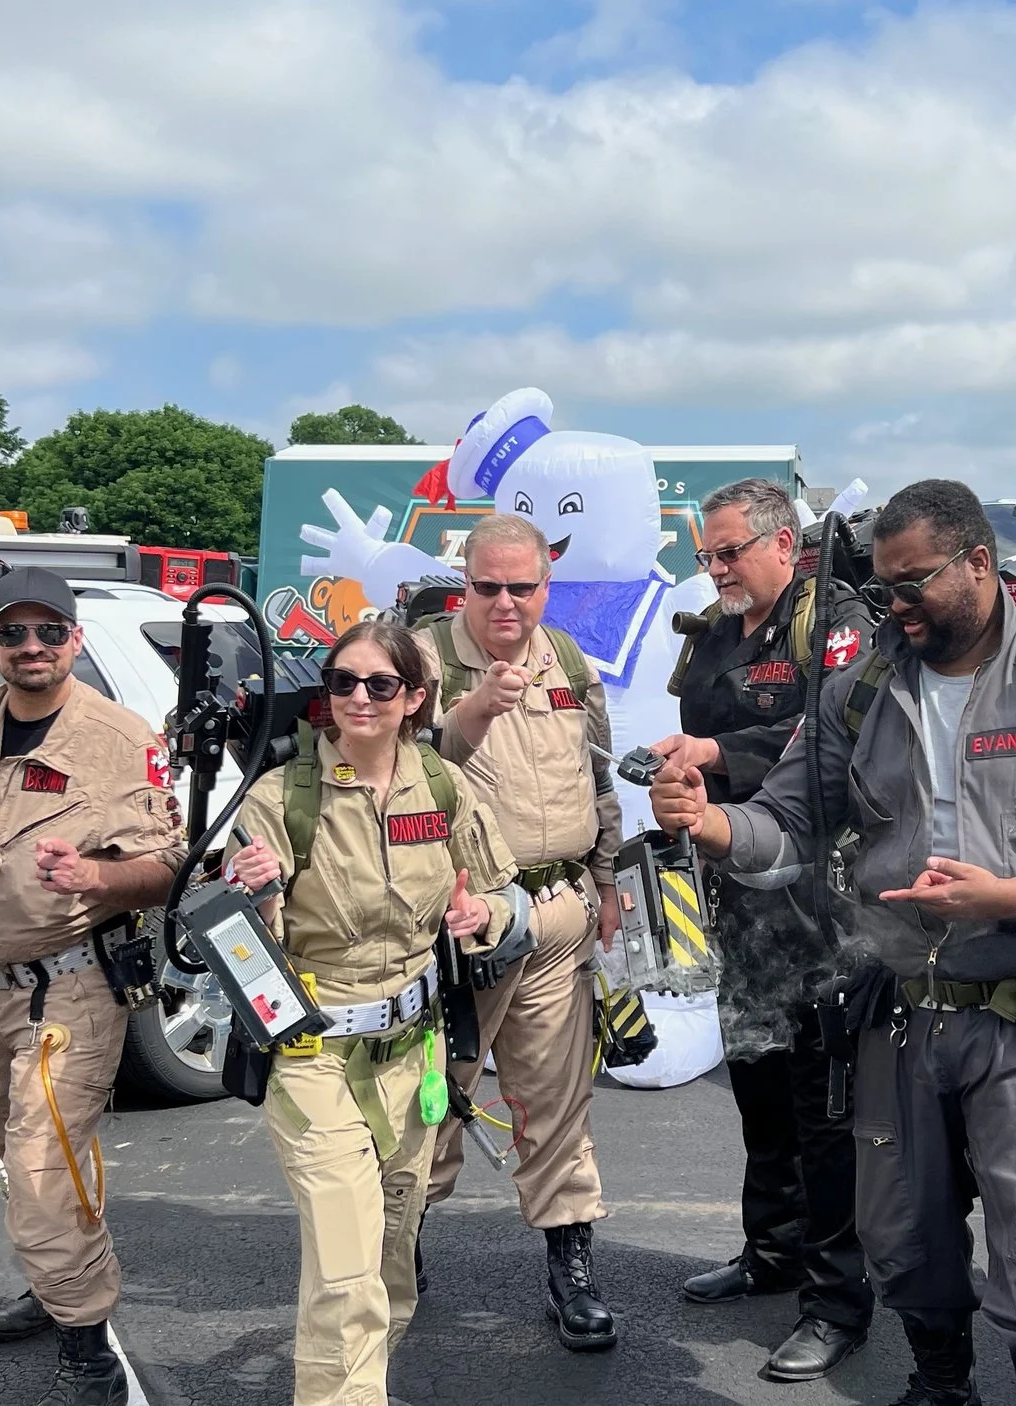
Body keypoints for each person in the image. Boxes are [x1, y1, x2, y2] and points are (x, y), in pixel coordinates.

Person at [652, 479, 1016, 1406]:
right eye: (884, 587)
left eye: (913, 585)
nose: (891, 607)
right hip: (899, 1016)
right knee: (905, 1241)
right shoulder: (863, 691)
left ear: (979, 565)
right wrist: (710, 826)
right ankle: (940, 1386)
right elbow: (788, 826)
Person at [0, 566, 187, 1406]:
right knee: (16, 1150)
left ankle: (89, 1342)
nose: (32, 647)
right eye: (14, 632)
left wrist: (95, 879)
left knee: (38, 1163)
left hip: (69, 990)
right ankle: (52, 1272)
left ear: (76, 640)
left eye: (48, 631)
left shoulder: (117, 736)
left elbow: (169, 867)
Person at [227, 618, 527, 1406]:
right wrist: (254, 895)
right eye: (342, 682)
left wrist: (483, 918)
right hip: (314, 1055)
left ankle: (366, 1377)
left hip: (413, 1053)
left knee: (392, 1249)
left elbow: (503, 892)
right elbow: (241, 950)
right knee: (345, 1265)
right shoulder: (279, 798)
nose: (359, 698)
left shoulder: (441, 785)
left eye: (380, 684)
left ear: (415, 699)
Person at [653, 476, 878, 1383]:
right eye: (706, 555)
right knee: (757, 1079)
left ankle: (835, 1299)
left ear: (784, 543)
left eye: (730, 551)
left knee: (828, 1106)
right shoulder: (714, 631)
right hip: (741, 888)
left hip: (825, 897)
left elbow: (833, 739)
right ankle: (772, 1251)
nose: (715, 570)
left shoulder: (836, 625)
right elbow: (698, 726)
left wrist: (716, 754)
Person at [413, 513, 625, 1351]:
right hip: (459, 923)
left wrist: (606, 879)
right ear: (464, 582)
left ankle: (569, 1264)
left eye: (523, 588)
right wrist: (465, 716)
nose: (505, 604)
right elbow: (386, 766)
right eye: (487, 587)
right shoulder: (417, 661)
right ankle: (400, 1245)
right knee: (432, 1098)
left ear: (547, 585)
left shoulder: (567, 660)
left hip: (559, 912)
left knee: (557, 1101)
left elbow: (598, 777)